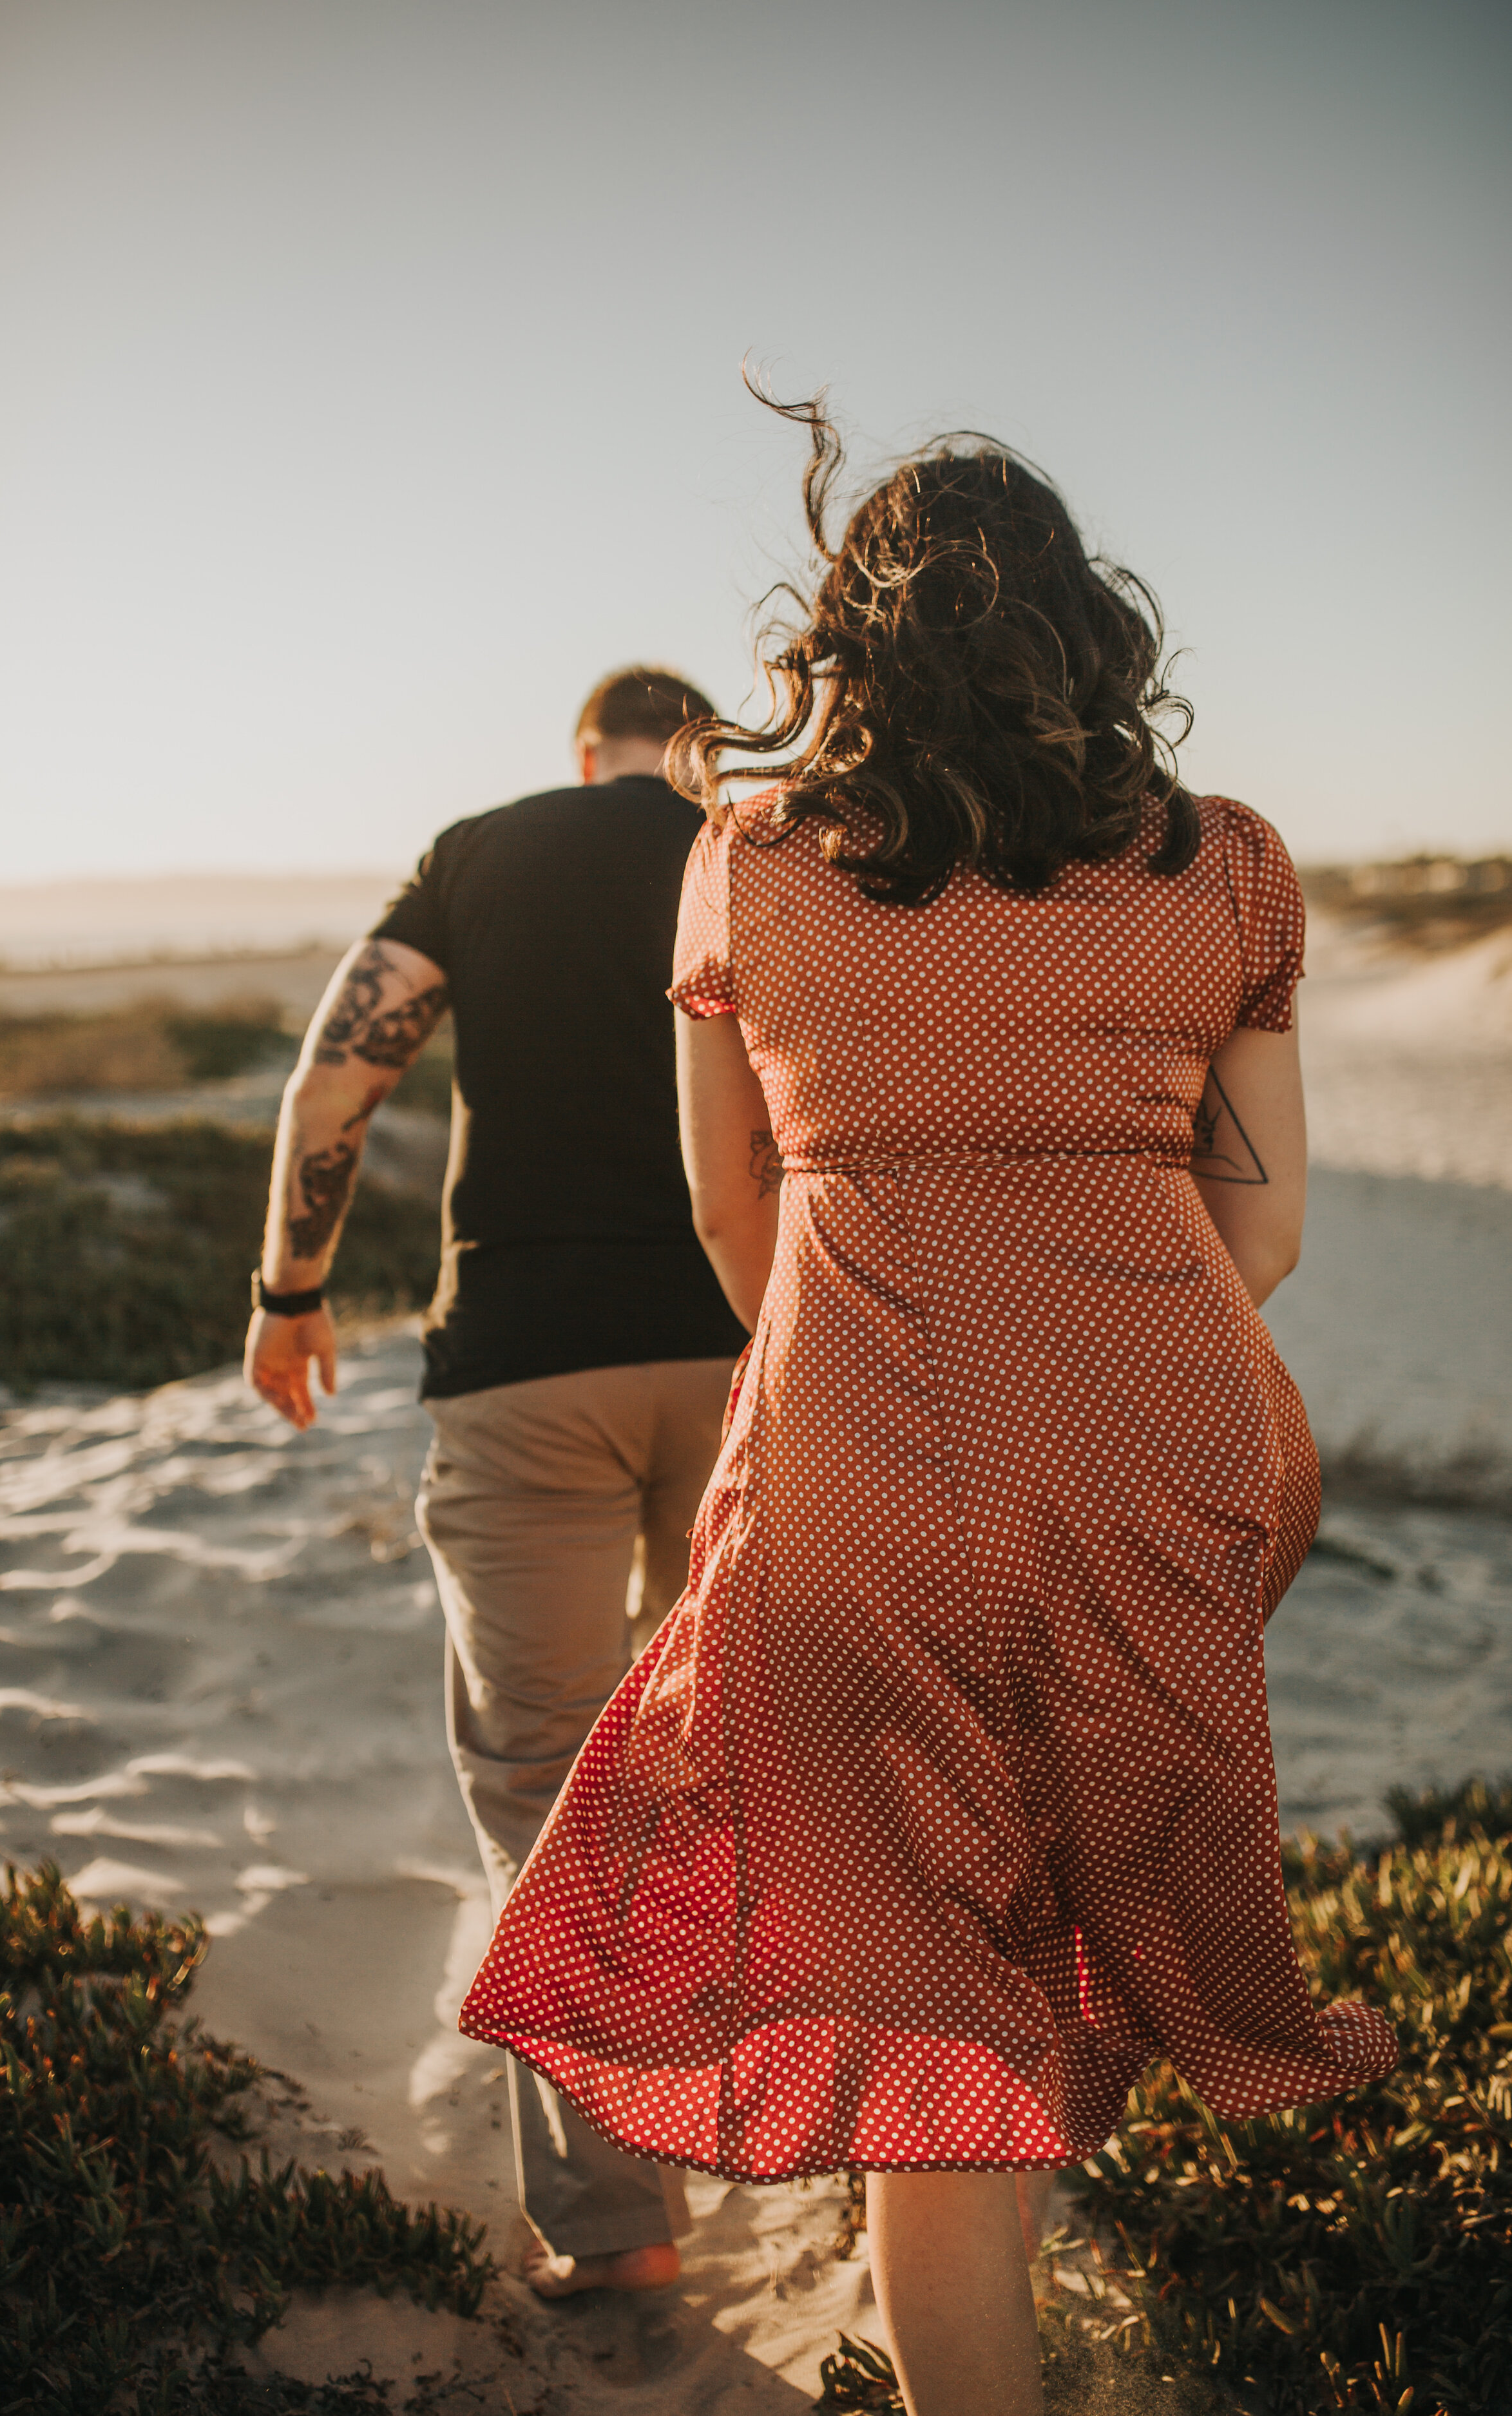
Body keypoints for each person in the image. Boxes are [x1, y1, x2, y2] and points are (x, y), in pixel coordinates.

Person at [456, 408, 1399, 2410]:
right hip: (1162, 1444)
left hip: (860, 1454)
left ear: (844, 642)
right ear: (1085, 629)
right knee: (1082, 1888)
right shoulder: (1212, 863)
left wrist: (867, 1354)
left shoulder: (756, 864)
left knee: (926, 2007)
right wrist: (1092, 1348)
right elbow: (1271, 1221)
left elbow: (731, 1206)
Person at [245, 666, 746, 2297]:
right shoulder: (756, 847)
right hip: (755, 1361)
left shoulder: (479, 851)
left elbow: (339, 1071)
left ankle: (621, 2233)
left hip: (525, 1368)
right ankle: (805, 2109)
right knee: (731, 1748)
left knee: (544, 1780)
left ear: (576, 749)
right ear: (701, 750)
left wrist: (288, 1293)